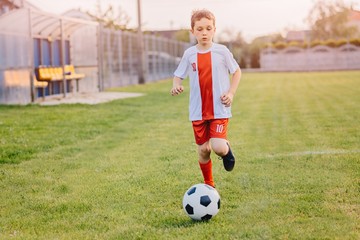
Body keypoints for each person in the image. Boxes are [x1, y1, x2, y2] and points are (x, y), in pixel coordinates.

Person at [170, 9, 242, 188]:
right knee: (203, 150)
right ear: (192, 31)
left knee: (217, 147)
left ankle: (226, 150)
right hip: (198, 111)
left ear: (214, 30)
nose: (204, 33)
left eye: (208, 28)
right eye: (200, 29)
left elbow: (237, 71)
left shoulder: (221, 51)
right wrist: (176, 85)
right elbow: (178, 75)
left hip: (219, 108)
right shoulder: (189, 54)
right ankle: (209, 184)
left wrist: (231, 93)